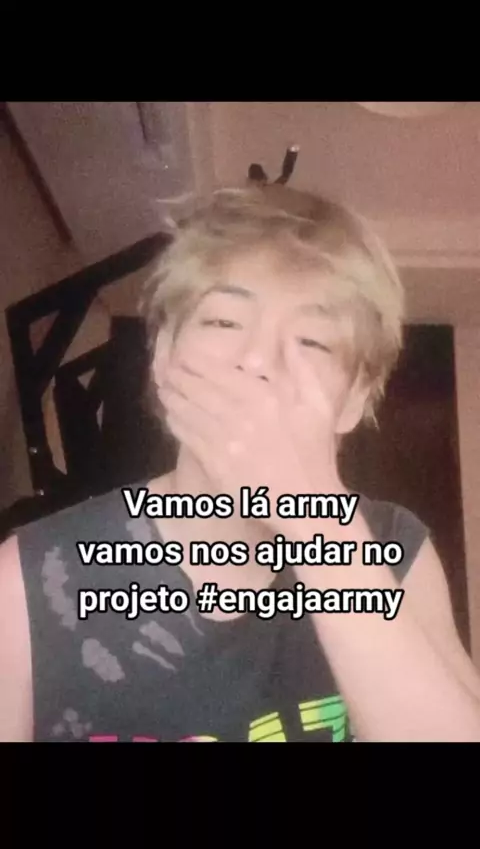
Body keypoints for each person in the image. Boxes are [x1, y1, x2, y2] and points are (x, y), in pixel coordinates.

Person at [1, 184, 480, 743]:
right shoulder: (28, 578)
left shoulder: (398, 550)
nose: (257, 361)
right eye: (224, 322)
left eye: (313, 341)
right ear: (164, 358)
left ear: (353, 399)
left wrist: (314, 517)